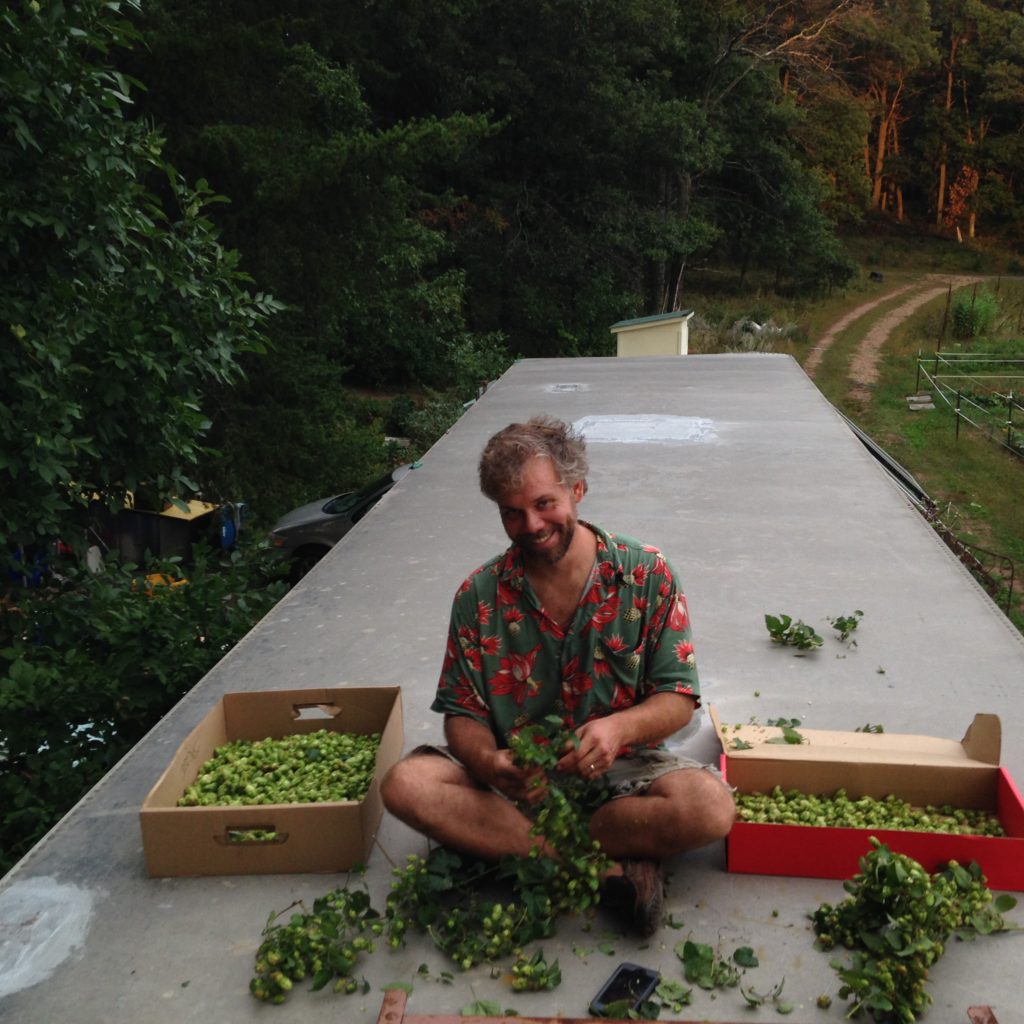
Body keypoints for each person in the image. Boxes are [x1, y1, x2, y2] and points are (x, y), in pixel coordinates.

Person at [381, 415, 734, 936]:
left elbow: (677, 699)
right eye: (512, 513)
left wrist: (618, 730)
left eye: (545, 503)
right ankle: (601, 870)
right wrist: (489, 760)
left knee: (710, 809)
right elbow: (463, 715)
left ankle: (509, 844)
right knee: (406, 785)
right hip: (519, 784)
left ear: (577, 489)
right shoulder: (478, 597)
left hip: (621, 777)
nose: (532, 526)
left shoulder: (645, 573)